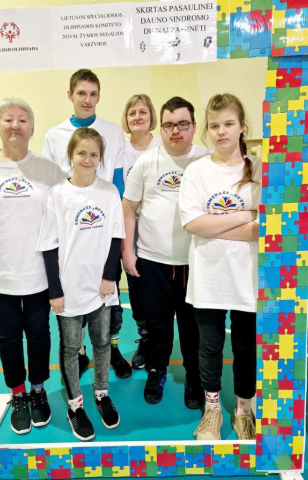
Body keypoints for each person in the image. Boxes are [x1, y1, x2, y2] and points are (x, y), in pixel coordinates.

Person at [0, 97, 66, 434]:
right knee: (8, 335)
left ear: (32, 129)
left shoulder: (49, 170)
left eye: (23, 119)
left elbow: (66, 216)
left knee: (38, 332)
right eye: (8, 119)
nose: (15, 125)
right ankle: (18, 393)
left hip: (38, 272)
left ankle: (38, 389)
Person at [178, 93, 261, 440]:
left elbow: (263, 229)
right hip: (208, 277)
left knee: (245, 347)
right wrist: (246, 214)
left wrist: (215, 224)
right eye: (214, 126)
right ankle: (212, 409)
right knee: (209, 346)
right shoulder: (196, 171)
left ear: (242, 126)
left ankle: (244, 409)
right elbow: (193, 223)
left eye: (228, 123)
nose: (221, 131)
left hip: (247, 276)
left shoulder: (259, 169)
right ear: (207, 130)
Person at [37, 127, 125, 441]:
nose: (87, 159)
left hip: (101, 288)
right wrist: (55, 291)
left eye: (94, 154)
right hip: (69, 290)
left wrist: (109, 278)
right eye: (81, 153)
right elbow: (49, 246)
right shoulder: (57, 194)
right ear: (71, 155)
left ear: (101, 158)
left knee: (102, 343)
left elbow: (116, 238)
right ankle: (75, 406)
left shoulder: (109, 193)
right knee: (71, 348)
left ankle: (101, 394)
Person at [43, 69, 131, 379]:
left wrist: (115, 229)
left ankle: (112, 349)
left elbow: (118, 181)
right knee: (73, 300)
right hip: (72, 235)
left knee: (109, 297)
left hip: (103, 233)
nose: (87, 100)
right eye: (81, 93)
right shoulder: (54, 135)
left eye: (93, 94)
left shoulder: (112, 132)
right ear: (70, 95)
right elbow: (51, 185)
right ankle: (78, 352)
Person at [122, 96, 208, 407]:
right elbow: (128, 209)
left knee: (192, 328)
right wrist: (127, 252)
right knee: (157, 326)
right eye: (169, 125)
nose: (176, 131)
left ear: (194, 126)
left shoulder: (206, 161)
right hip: (152, 261)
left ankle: (194, 377)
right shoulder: (146, 162)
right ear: (162, 128)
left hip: (195, 262)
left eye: (182, 124)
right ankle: (157, 371)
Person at [121, 94, 162, 370]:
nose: (137, 117)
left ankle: (161, 342)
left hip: (160, 231)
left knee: (160, 292)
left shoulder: (163, 146)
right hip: (130, 230)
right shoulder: (119, 151)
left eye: (143, 112)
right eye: (132, 112)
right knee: (136, 290)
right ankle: (145, 338)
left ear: (152, 117)